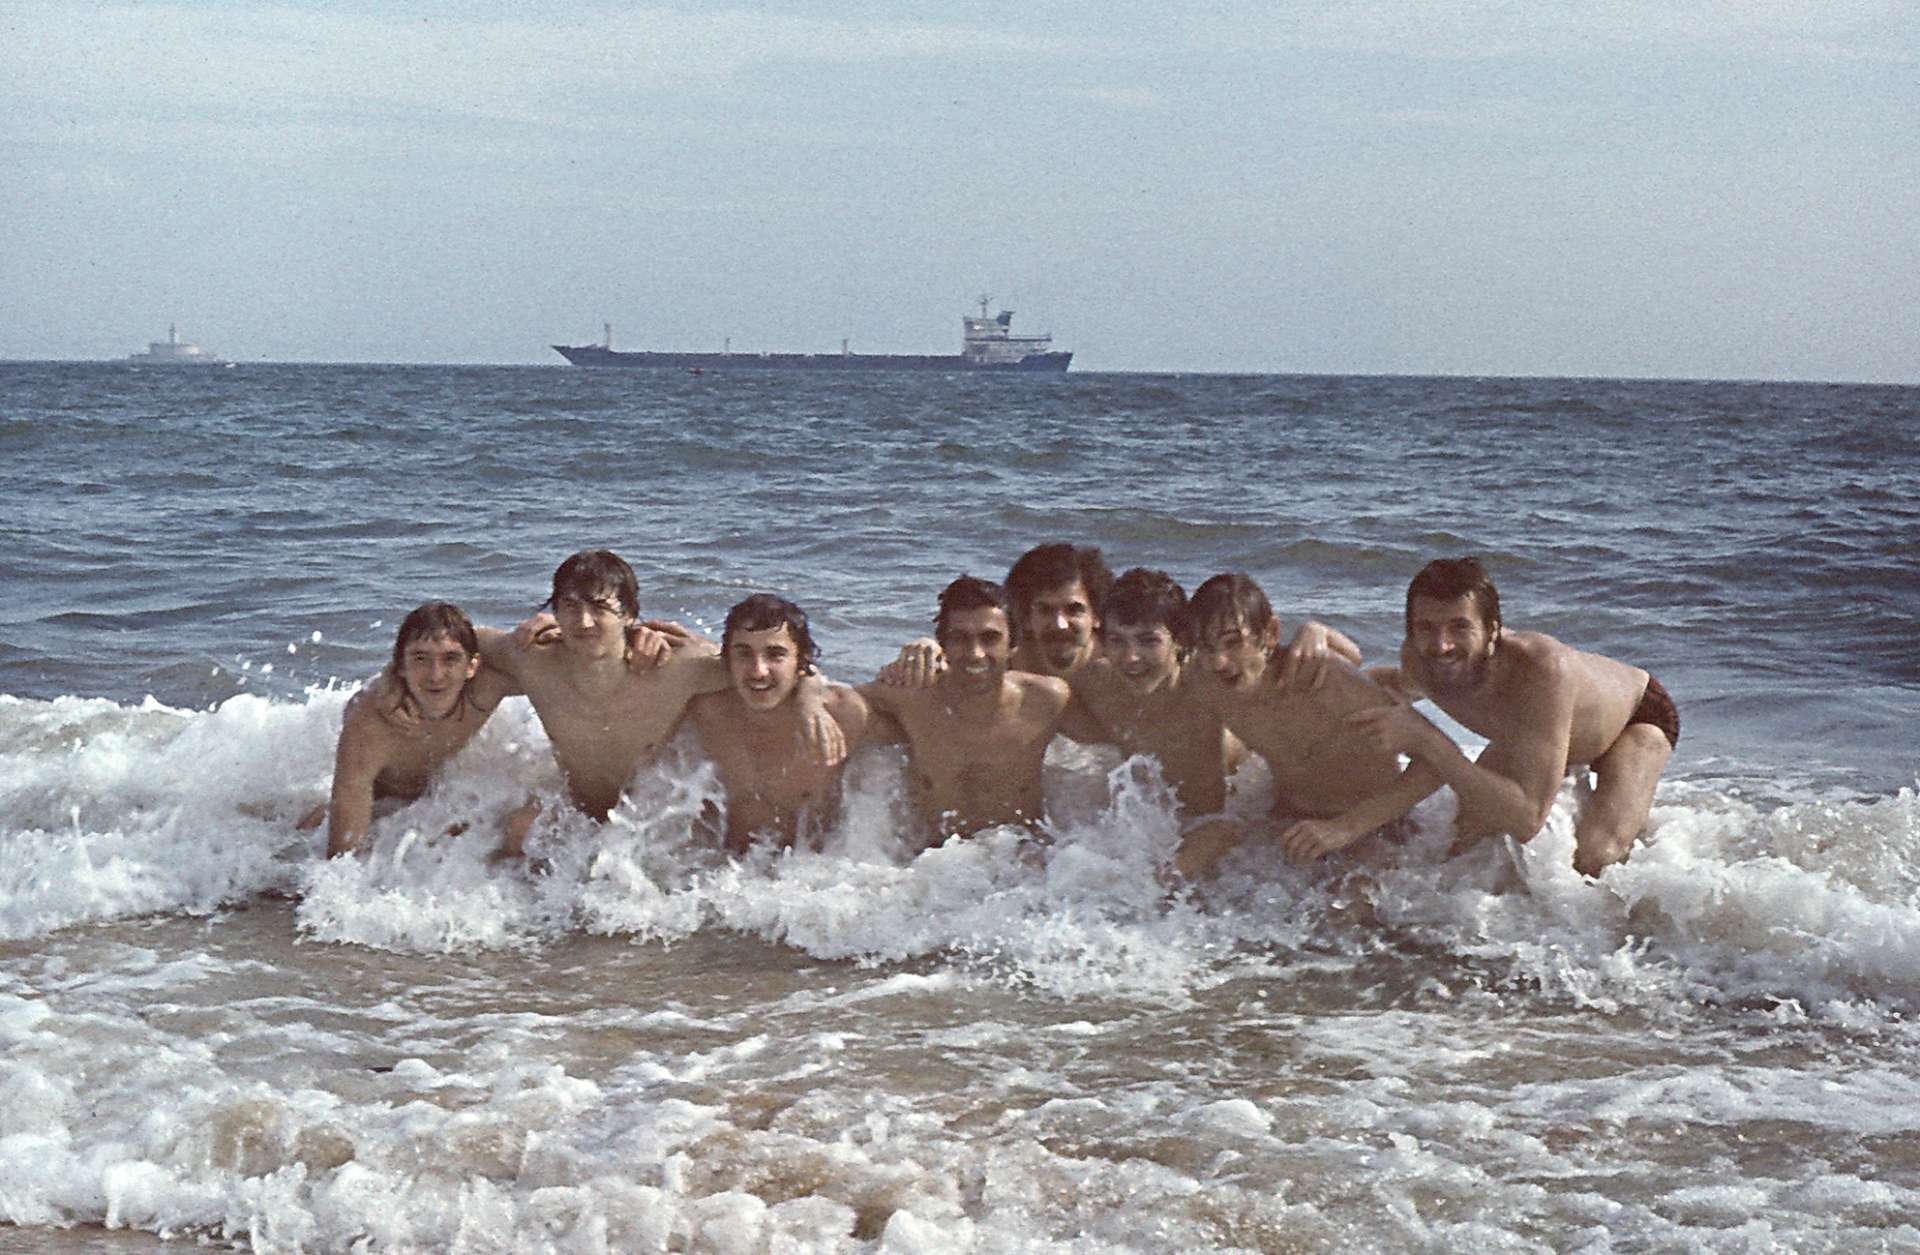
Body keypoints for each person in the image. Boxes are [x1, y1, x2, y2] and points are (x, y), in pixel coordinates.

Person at [1330, 556, 1678, 877]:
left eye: (1459, 627)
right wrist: (1325, 676)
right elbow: (1395, 684)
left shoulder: (1541, 669)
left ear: (1492, 631)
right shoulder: (1420, 661)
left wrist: (1428, 741)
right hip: (1535, 737)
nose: (1441, 645)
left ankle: (1657, 852)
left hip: (1636, 717)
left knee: (1594, 858)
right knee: (1461, 845)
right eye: (1426, 627)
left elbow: (1527, 821)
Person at [476, 550, 844, 829]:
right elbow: (466, 638)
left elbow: (771, 666)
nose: (584, 622)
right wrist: (525, 627)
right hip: (577, 807)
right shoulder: (532, 658)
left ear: (628, 614)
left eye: (599, 608)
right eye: (570, 607)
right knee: (517, 831)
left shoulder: (674, 667)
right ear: (554, 612)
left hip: (649, 816)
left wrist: (810, 702)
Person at [1171, 573, 1416, 879]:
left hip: (1373, 826)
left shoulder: (1325, 681)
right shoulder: (1205, 680)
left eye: (1233, 642)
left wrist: (1345, 828)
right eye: (1206, 647)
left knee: (1350, 902)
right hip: (1287, 818)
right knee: (1181, 868)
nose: (1218, 662)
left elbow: (1434, 764)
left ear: (1271, 633)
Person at [858, 576, 1071, 847]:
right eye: (959, 638)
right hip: (934, 860)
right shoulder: (912, 698)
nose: (975, 653)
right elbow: (837, 704)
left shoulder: (1046, 700)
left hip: (1022, 856)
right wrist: (810, 702)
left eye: (990, 638)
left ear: (1013, 644)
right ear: (943, 644)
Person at [304, 602, 515, 857]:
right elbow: (342, 855)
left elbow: (545, 661)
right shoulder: (371, 721)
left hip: (440, 791)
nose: (435, 675)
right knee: (309, 838)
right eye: (420, 659)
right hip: (382, 798)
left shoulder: (485, 690)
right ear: (400, 667)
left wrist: (544, 627)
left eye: (450, 659)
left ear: (472, 666)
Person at [688, 593, 871, 852]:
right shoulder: (704, 710)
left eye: (775, 655)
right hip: (713, 868)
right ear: (727, 659)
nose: (758, 670)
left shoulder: (843, 715)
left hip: (813, 871)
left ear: (801, 660)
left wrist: (925, 646)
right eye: (744, 654)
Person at [1002, 542, 1114, 679]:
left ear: (1097, 615)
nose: (1060, 625)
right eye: (1045, 610)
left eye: (1074, 610)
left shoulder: (1124, 667)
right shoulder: (1001, 669)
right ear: (1026, 618)